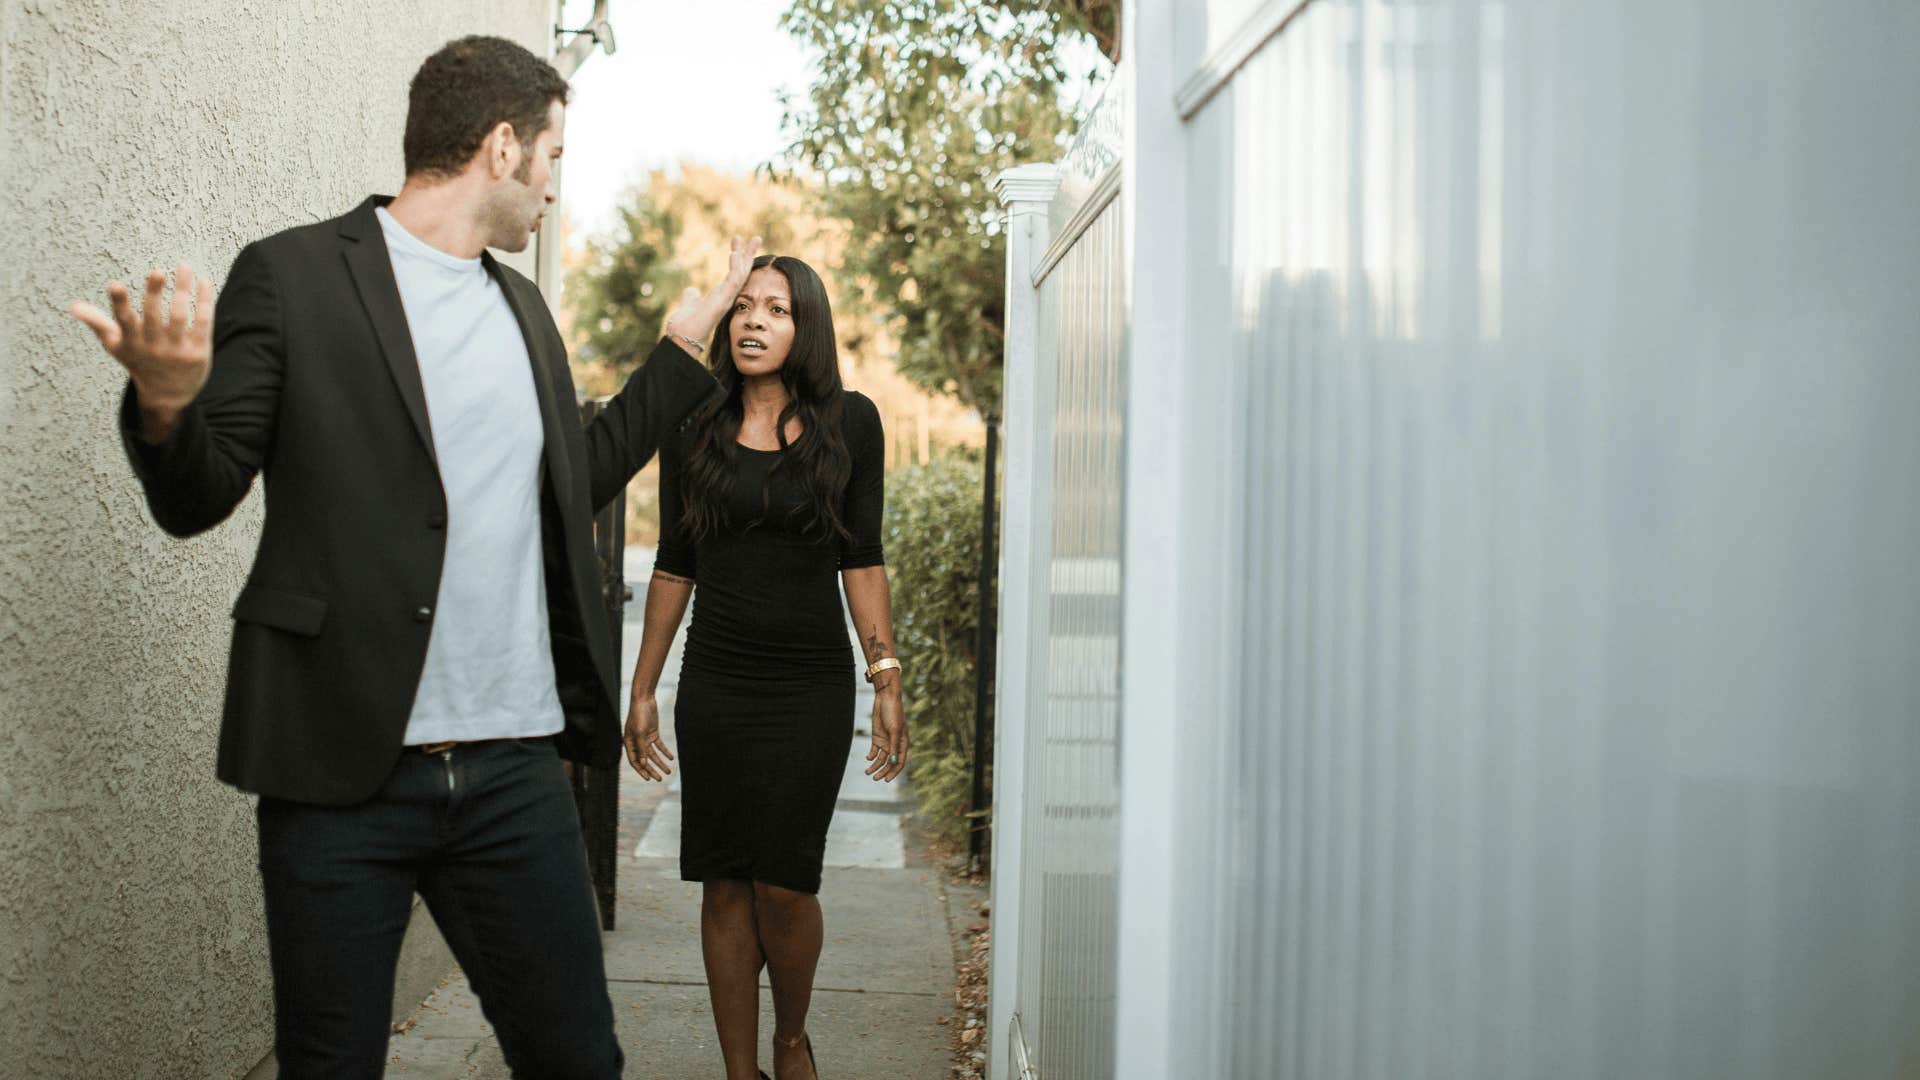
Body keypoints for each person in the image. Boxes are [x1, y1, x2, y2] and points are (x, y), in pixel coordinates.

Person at [65, 35, 755, 1079]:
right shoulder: (293, 276)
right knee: (331, 1064)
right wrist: (164, 401)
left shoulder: (523, 309)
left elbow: (571, 480)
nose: (556, 194)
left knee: (578, 1061)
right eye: (555, 160)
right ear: (503, 145)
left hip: (514, 772)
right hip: (340, 771)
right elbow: (198, 496)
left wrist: (680, 353)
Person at [622, 254, 908, 1080]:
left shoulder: (850, 422)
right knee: (721, 883)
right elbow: (675, 562)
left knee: (783, 882)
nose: (752, 321)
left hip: (809, 688)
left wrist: (884, 674)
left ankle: (791, 1038)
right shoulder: (694, 424)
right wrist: (642, 688)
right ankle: (739, 1071)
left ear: (805, 326)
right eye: (742, 307)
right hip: (716, 685)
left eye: (775, 309)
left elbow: (863, 557)